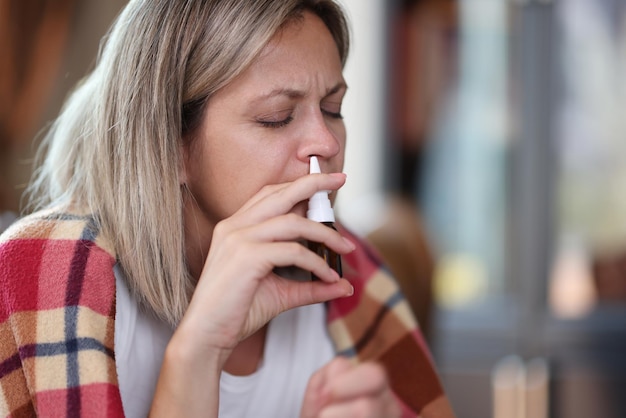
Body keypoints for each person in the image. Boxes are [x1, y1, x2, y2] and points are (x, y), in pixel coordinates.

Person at [0, 0, 455, 417]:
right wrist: (195, 355)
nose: (327, 143)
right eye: (277, 117)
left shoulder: (354, 270)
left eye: (333, 108)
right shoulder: (46, 273)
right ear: (170, 145)